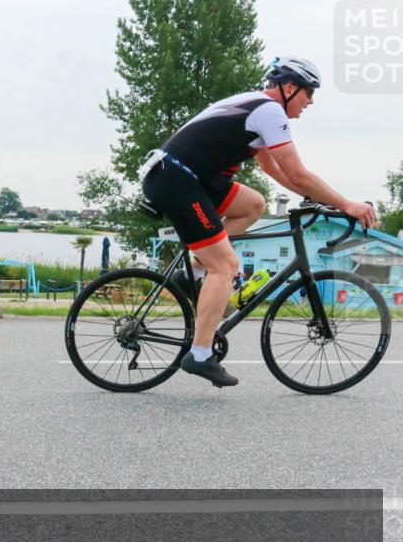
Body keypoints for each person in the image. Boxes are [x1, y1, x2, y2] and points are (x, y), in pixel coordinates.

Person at [141, 56, 377, 388]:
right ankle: (200, 353)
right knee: (225, 265)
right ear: (290, 88)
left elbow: (276, 171)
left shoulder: (259, 108)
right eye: (309, 93)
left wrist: (324, 199)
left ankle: (193, 271)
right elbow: (297, 173)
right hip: (178, 181)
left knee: (252, 204)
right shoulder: (269, 111)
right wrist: (347, 204)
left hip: (188, 176)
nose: (310, 102)